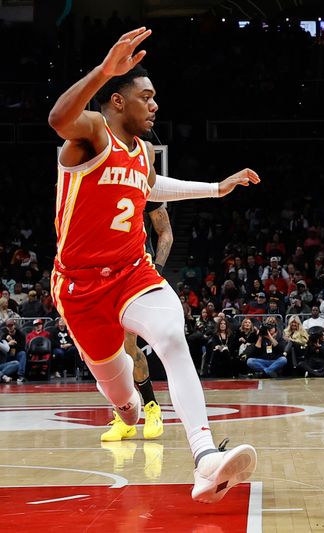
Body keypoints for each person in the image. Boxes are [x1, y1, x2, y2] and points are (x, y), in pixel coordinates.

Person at [47, 27, 256, 503]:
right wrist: (105, 69)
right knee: (118, 389)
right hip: (78, 288)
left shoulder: (142, 153)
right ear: (117, 102)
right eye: (146, 96)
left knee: (169, 336)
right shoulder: (93, 134)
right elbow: (58, 118)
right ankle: (125, 409)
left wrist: (215, 189)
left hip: (130, 272)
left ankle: (205, 459)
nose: (155, 104)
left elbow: (151, 188)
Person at [101, 200, 173, 442]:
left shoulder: (144, 186)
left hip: (137, 273)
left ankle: (151, 408)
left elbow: (166, 233)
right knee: (109, 352)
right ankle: (125, 416)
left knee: (127, 347)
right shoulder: (100, 187)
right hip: (105, 273)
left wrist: (157, 269)